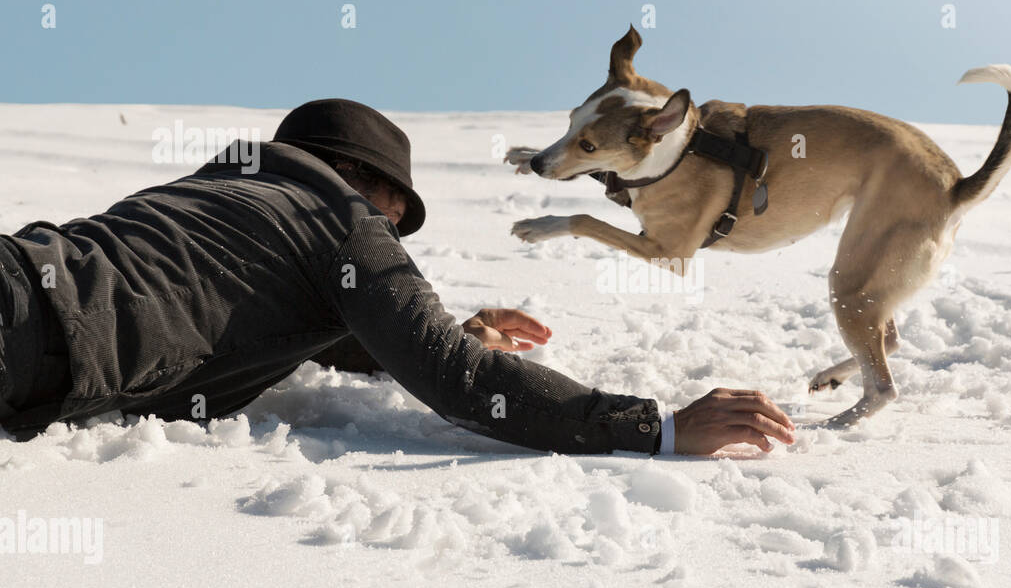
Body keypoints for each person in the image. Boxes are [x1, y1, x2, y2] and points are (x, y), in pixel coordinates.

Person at [0, 99, 795, 455]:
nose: (390, 231)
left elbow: (342, 333)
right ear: (354, 178)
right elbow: (455, 381)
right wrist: (651, 428)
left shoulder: (207, 196)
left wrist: (454, 327)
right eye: (392, 210)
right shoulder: (334, 217)